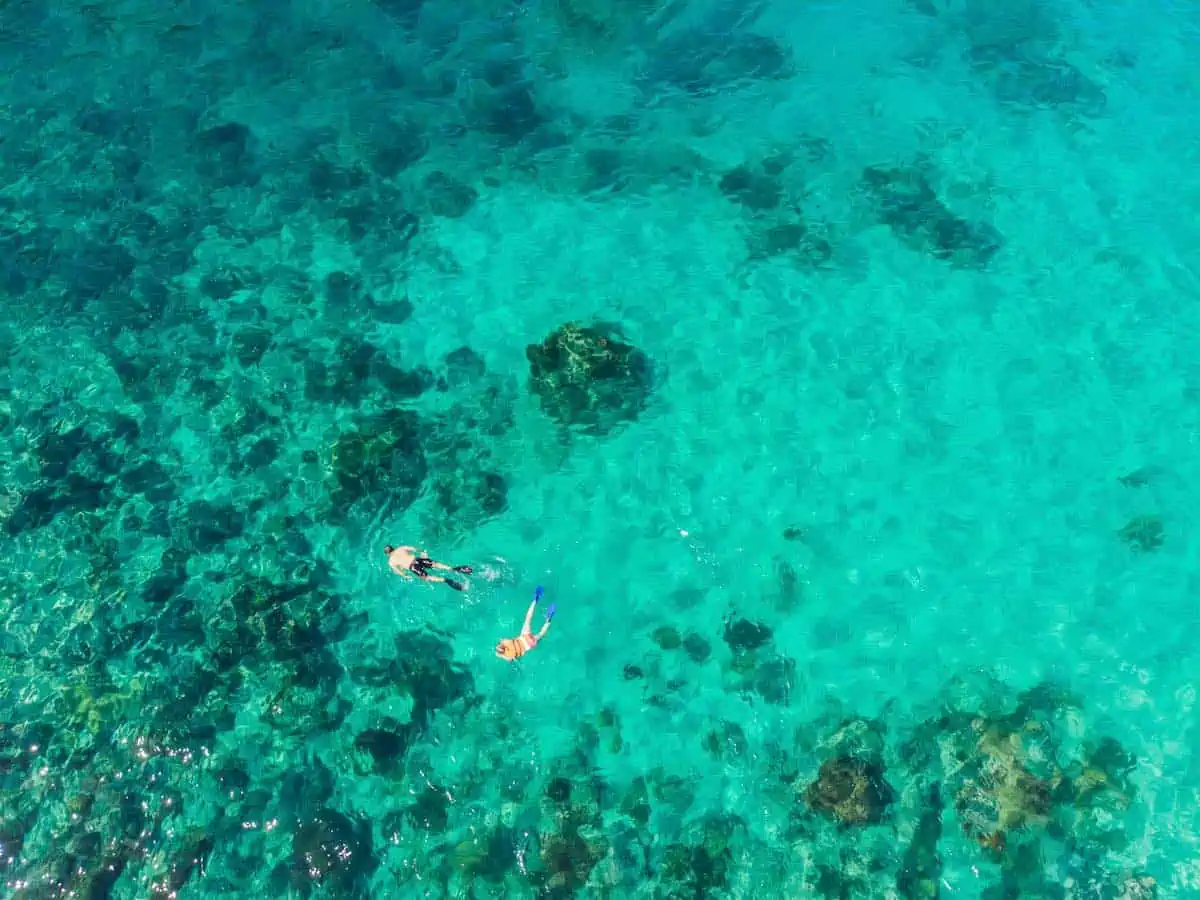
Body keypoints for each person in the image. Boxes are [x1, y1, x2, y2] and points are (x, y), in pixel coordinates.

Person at [496, 587, 556, 661]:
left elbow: (510, 659)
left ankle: (548, 619)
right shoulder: (506, 642)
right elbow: (502, 640)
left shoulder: (509, 656)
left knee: (541, 634)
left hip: (529, 645)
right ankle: (535, 599)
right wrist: (500, 642)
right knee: (528, 618)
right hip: (523, 637)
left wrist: (501, 656)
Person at [385, 544, 473, 592]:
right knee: (436, 564)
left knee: (428, 578)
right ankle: (453, 569)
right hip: (417, 559)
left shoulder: (391, 561)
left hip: (412, 567)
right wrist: (422, 552)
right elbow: (413, 548)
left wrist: (405, 576)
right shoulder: (401, 548)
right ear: (393, 548)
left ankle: (447, 580)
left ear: (388, 554)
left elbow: (398, 571)